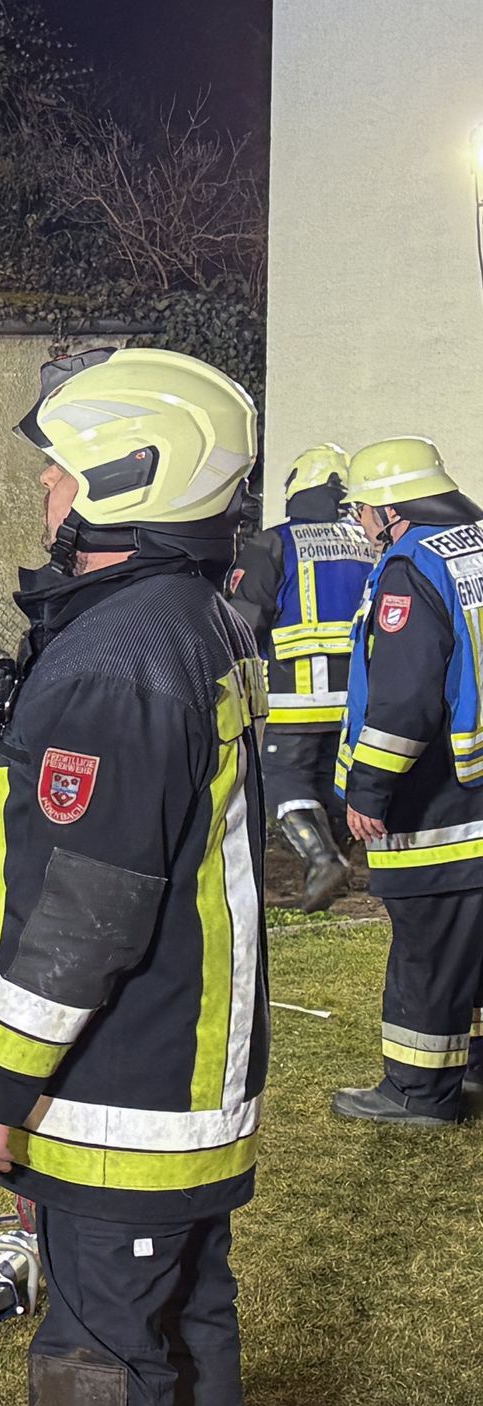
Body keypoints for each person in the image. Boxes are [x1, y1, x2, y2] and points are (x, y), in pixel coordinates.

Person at [0, 347, 267, 1406]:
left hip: (119, 1091)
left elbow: (84, 916)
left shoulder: (116, 662)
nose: (43, 489)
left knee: (93, 1373)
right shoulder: (178, 622)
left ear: (127, 479)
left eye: (58, 470)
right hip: (168, 1091)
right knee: (182, 1340)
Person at [332, 436, 483, 1125]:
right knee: (472, 939)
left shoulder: (409, 568)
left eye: (362, 510)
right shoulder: (473, 549)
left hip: (436, 798)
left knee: (427, 942)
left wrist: (369, 789)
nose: (360, 525)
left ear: (391, 508)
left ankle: (417, 1092)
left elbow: (404, 700)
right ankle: (476, 1068)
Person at [227, 443, 378, 910]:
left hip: (296, 699)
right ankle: (337, 869)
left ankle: (322, 861)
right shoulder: (370, 544)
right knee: (334, 784)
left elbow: (241, 621)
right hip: (357, 703)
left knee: (285, 781)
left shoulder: (273, 544)